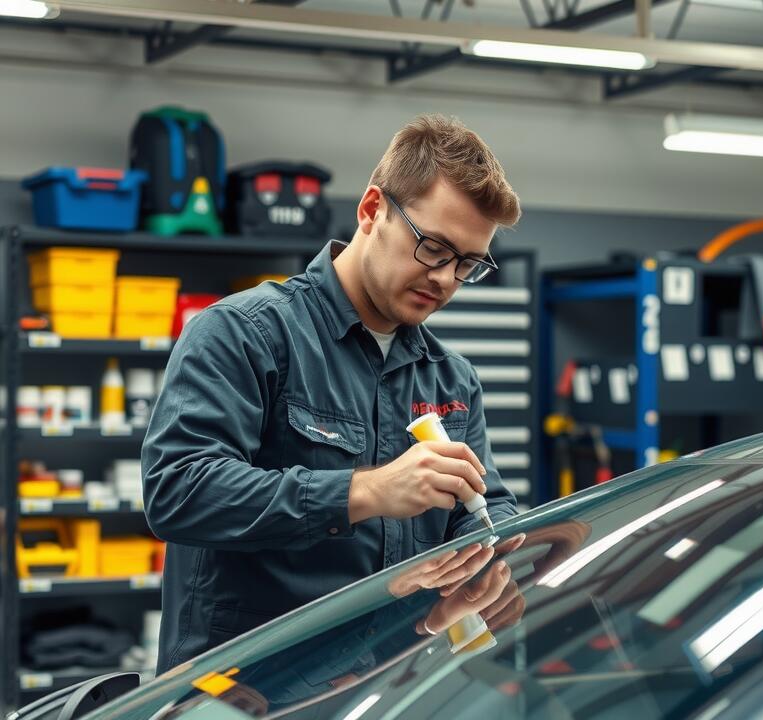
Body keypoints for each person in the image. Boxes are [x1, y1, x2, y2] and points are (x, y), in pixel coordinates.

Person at [142, 114, 522, 673]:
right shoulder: (245, 334)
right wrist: (363, 492)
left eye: (468, 264)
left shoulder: (450, 378)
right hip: (249, 692)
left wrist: (491, 557)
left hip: (388, 685)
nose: (445, 279)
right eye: (434, 249)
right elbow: (179, 490)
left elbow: (481, 504)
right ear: (371, 210)